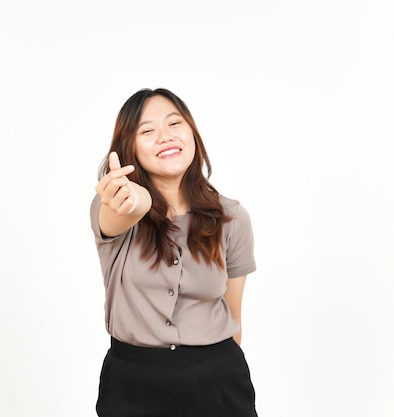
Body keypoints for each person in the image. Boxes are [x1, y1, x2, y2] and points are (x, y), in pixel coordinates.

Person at [90, 87, 258, 417]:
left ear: (192, 132)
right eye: (147, 131)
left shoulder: (232, 217)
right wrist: (137, 199)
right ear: (130, 148)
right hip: (133, 384)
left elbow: (234, 316)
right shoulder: (114, 206)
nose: (165, 136)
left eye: (174, 124)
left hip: (217, 380)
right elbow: (128, 209)